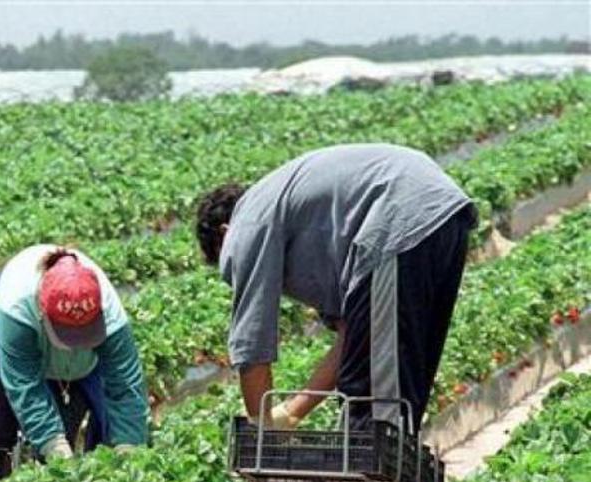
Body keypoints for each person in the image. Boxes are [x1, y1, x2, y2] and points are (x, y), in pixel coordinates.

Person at [195, 144, 477, 433]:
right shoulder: (298, 213)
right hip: (442, 213)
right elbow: (351, 337)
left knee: (374, 402)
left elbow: (251, 345)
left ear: (225, 234)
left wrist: (260, 428)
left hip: (398, 216)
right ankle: (392, 468)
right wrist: (291, 413)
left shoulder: (248, 222)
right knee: (401, 383)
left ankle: (375, 468)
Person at [0, 244, 149, 463]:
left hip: (79, 365)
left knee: (69, 422)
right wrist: (54, 445)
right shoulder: (15, 309)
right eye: (68, 336)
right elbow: (24, 384)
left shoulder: (111, 312)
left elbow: (126, 386)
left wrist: (129, 450)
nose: (73, 346)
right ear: (42, 313)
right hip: (7, 334)